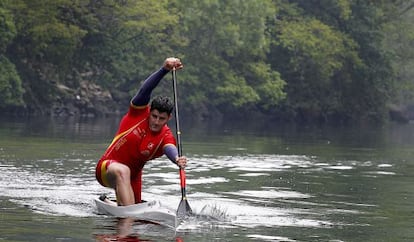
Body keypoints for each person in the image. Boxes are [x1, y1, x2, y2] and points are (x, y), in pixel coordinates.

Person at [95, 57, 187, 206]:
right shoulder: (137, 114)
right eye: (154, 116)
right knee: (123, 171)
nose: (156, 122)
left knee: (132, 209)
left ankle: (109, 203)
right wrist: (164, 70)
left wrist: (176, 159)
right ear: (150, 111)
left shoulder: (166, 135)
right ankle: (126, 212)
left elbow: (170, 148)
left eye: (161, 119)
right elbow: (145, 89)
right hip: (107, 168)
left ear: (168, 118)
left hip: (133, 177)